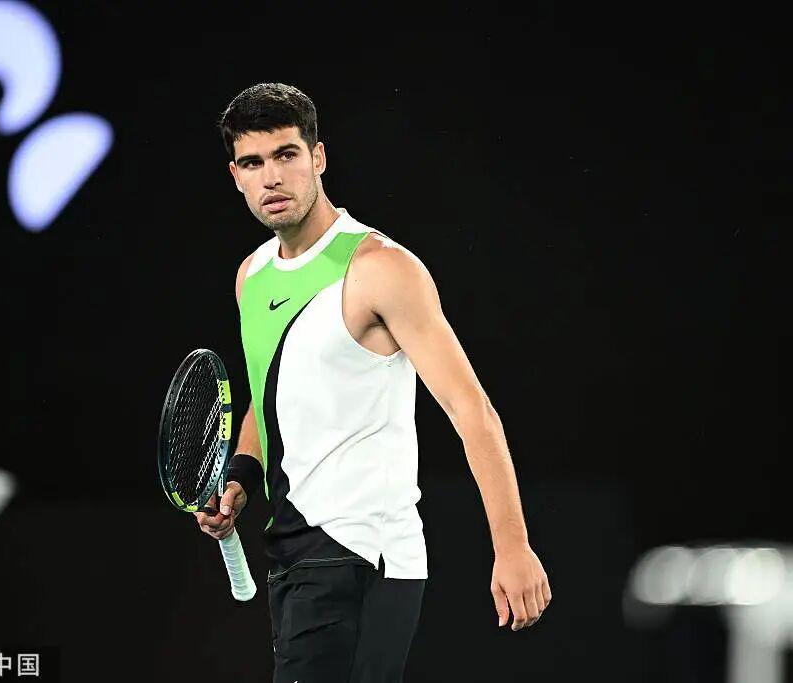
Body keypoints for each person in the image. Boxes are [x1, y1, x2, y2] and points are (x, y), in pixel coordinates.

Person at [194, 82, 551, 682]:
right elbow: (269, 393)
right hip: (292, 553)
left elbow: (472, 411)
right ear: (236, 176)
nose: (272, 177)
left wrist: (512, 547)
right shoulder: (251, 276)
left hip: (362, 554)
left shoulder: (381, 268)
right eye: (253, 163)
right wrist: (241, 479)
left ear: (318, 157)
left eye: (286, 155)